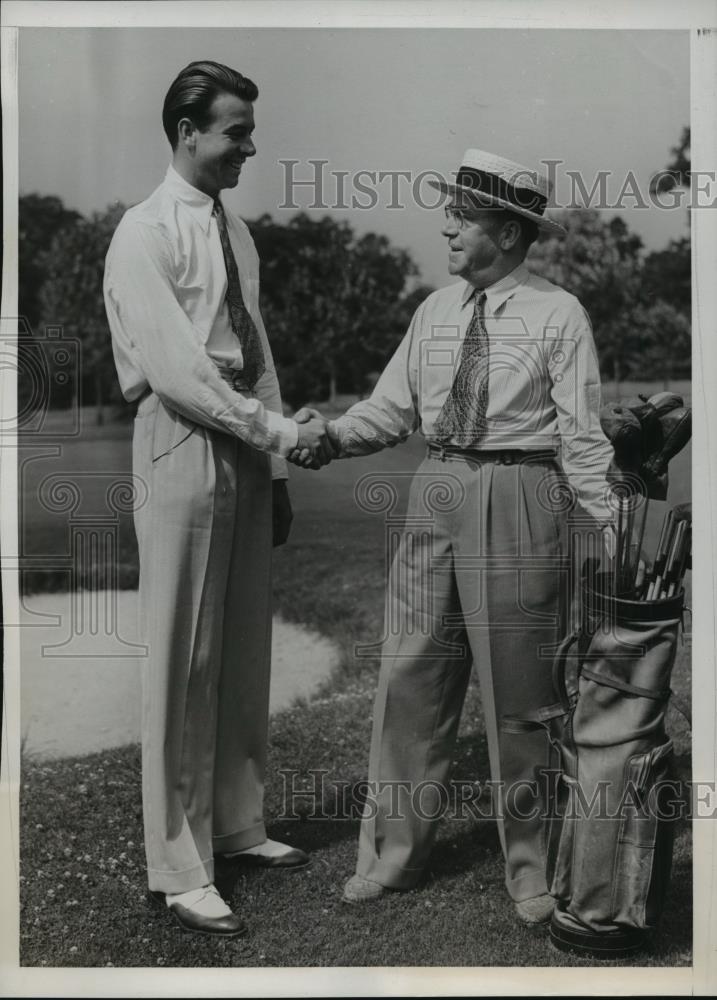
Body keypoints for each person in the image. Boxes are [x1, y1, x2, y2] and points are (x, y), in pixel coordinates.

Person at [291, 149, 615, 924]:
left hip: (520, 492)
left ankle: (531, 872)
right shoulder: (435, 311)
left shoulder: (557, 313)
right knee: (410, 678)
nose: (447, 227)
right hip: (436, 485)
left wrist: (613, 523)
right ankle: (393, 857)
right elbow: (389, 409)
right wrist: (332, 436)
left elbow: (581, 437)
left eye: (462, 217)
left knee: (520, 697)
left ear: (506, 231)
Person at [103, 60, 331, 938]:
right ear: (187, 131)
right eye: (234, 130)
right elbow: (179, 371)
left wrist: (272, 469)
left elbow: (256, 354)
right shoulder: (142, 232)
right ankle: (178, 863)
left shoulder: (236, 235)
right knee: (182, 657)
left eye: (248, 129)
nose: (248, 145)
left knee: (238, 645)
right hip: (181, 434)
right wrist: (275, 433)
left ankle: (236, 826)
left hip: (240, 441)